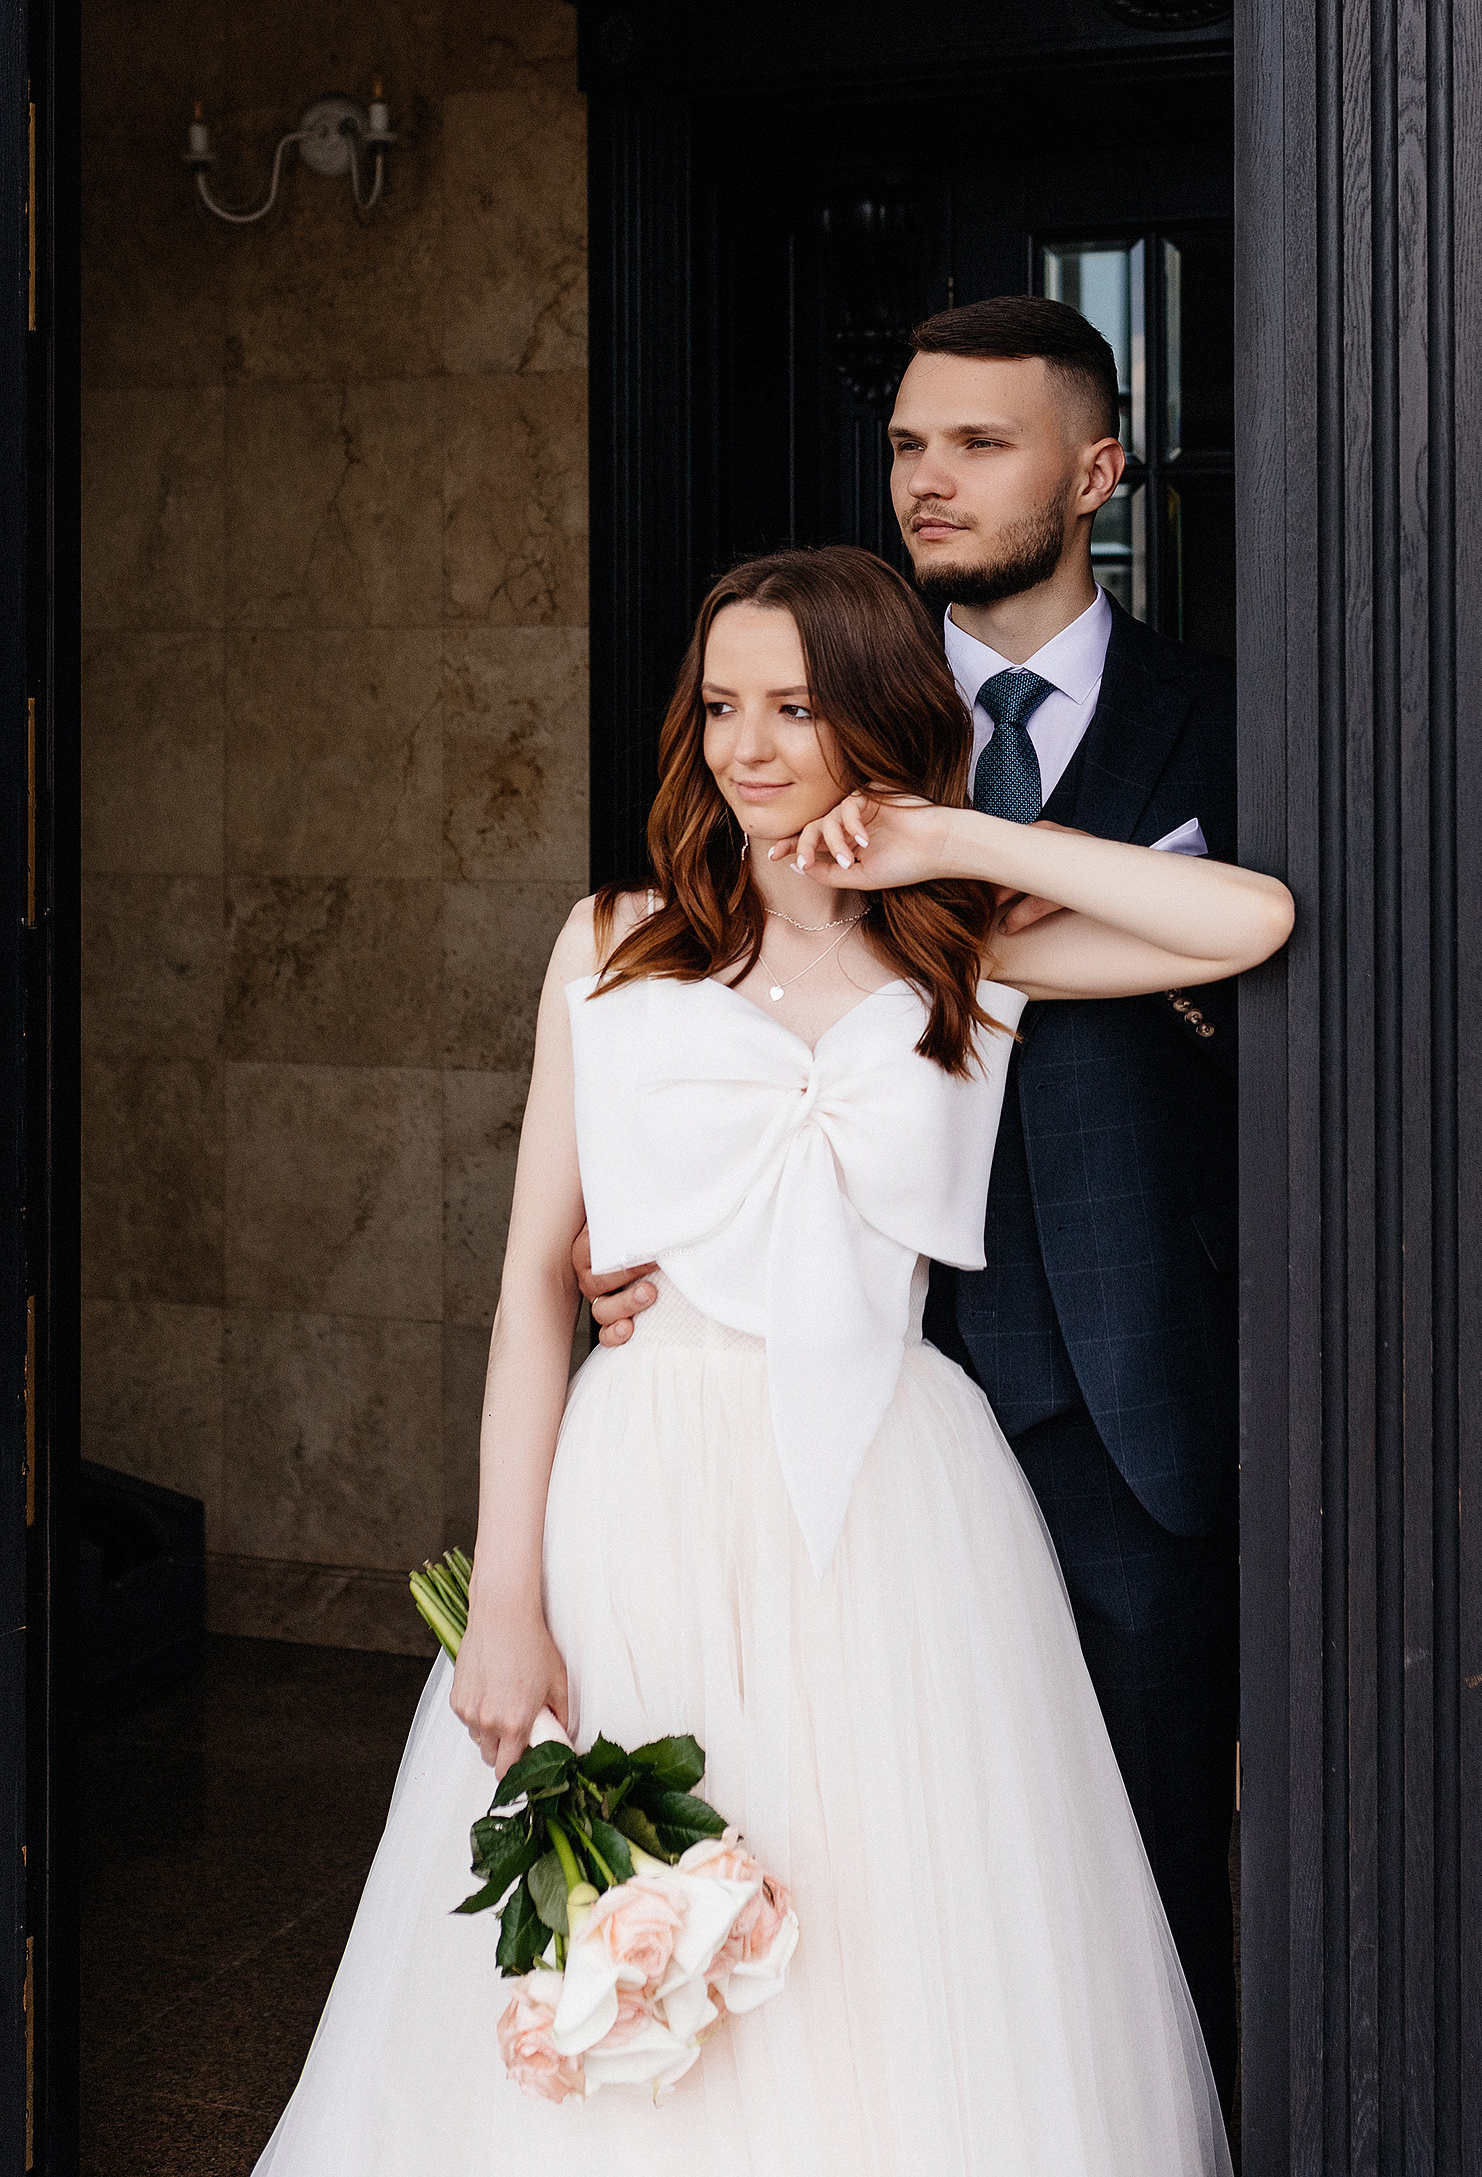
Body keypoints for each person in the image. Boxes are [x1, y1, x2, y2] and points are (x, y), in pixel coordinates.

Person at [252, 544, 1291, 2177]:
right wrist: (507, 1605)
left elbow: (1249, 918)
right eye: (722, 703)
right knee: (634, 1923)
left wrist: (954, 839)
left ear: (876, 717)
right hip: (644, 1488)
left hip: (897, 1501)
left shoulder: (971, 956)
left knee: (891, 1918)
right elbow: (535, 1284)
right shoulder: (612, 945)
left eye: (796, 708)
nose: (747, 745)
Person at [582, 298, 1245, 2094]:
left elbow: (1284, 961)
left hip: (1124, 1388)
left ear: (1097, 471)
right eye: (905, 445)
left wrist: (983, 850)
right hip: (834, 1399)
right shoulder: (805, 726)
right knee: (821, 1859)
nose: (927, 479)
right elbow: (660, 1027)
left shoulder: (1229, 713)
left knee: (1111, 1894)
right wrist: (630, 1240)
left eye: (980, 443)